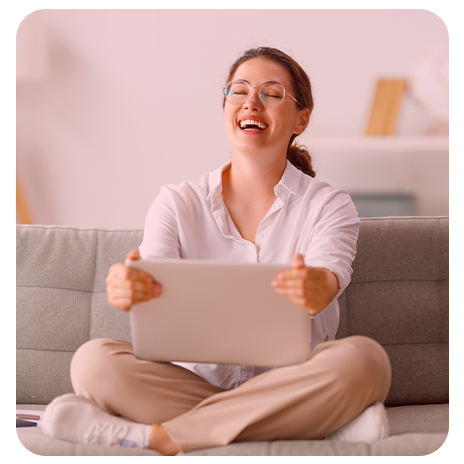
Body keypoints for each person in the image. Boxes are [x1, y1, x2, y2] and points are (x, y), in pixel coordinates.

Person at [42, 47, 391, 455]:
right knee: (93, 362)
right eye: (238, 91)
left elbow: (329, 275)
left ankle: (161, 437)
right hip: (197, 385)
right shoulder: (176, 202)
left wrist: (318, 287)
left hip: (295, 380)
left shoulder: (329, 205)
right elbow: (153, 283)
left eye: (272, 93)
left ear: (302, 119)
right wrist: (131, 290)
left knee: (365, 361)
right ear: (226, 105)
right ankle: (316, 426)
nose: (251, 102)